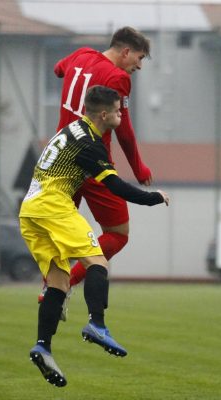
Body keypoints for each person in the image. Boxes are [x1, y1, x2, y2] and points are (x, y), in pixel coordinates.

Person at [20, 85, 169, 387]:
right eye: (117, 111)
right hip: (53, 205)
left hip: (30, 211)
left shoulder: (72, 129)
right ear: (104, 114)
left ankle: (43, 347)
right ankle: (97, 325)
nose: (120, 115)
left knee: (59, 281)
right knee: (97, 261)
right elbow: (115, 187)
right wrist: (154, 197)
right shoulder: (90, 142)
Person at [42, 26, 152, 305]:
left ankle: (51, 289)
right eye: (139, 58)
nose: (138, 66)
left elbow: (58, 68)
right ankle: (68, 283)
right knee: (117, 234)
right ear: (125, 51)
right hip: (93, 163)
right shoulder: (116, 77)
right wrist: (139, 168)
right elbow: (123, 128)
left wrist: (70, 75)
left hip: (59, 159)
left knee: (61, 232)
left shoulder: (81, 54)